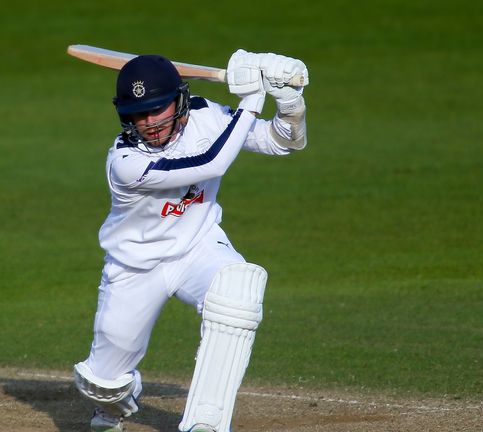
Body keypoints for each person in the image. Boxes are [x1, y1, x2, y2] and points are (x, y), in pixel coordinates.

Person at [73, 49, 309, 432]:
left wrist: (289, 101)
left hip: (198, 247)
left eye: (157, 109)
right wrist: (253, 96)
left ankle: (206, 422)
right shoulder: (125, 162)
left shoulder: (205, 115)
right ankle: (114, 409)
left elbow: (281, 141)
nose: (149, 123)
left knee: (237, 289)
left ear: (179, 101)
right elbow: (212, 163)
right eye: (139, 114)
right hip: (135, 267)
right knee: (101, 385)